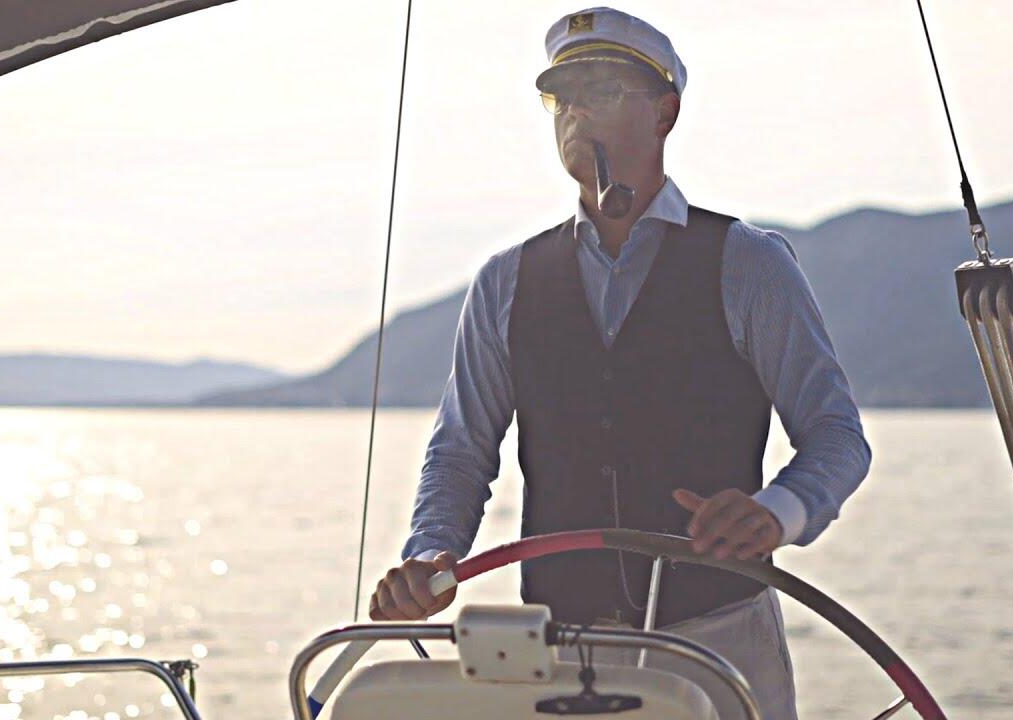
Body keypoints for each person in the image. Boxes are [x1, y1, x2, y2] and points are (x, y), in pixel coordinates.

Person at [368, 7, 871, 719]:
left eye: (601, 90)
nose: (576, 112)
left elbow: (836, 434)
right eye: (561, 97)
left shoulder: (749, 262)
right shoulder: (505, 281)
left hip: (722, 644)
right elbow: (460, 452)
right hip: (561, 650)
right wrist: (430, 553)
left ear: (665, 112)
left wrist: (775, 513)